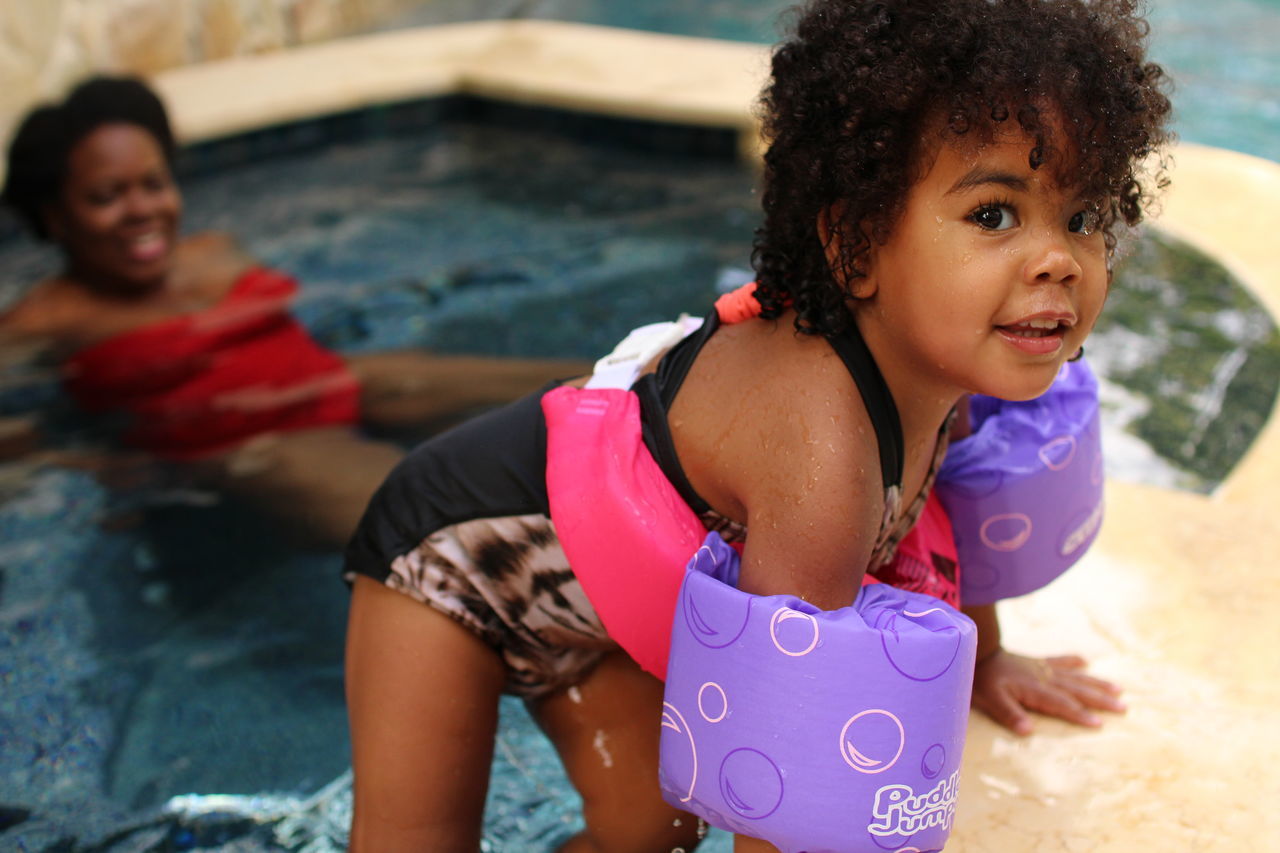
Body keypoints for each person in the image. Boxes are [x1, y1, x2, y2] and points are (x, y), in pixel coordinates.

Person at [343, 0, 1173, 848]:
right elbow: (778, 774)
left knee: (651, 833)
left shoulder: (947, 371)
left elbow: (938, 527)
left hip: (591, 617)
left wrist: (984, 662)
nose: (1059, 259)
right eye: (993, 214)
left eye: (1084, 217)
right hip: (451, 570)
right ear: (856, 246)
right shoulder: (821, 451)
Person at [0, 75, 588, 549]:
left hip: (340, 379)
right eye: (107, 196)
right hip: (259, 446)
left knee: (590, 394)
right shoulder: (43, 322)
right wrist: (96, 463)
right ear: (54, 216)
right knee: (446, 536)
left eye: (153, 184)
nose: (141, 211)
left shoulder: (212, 252)